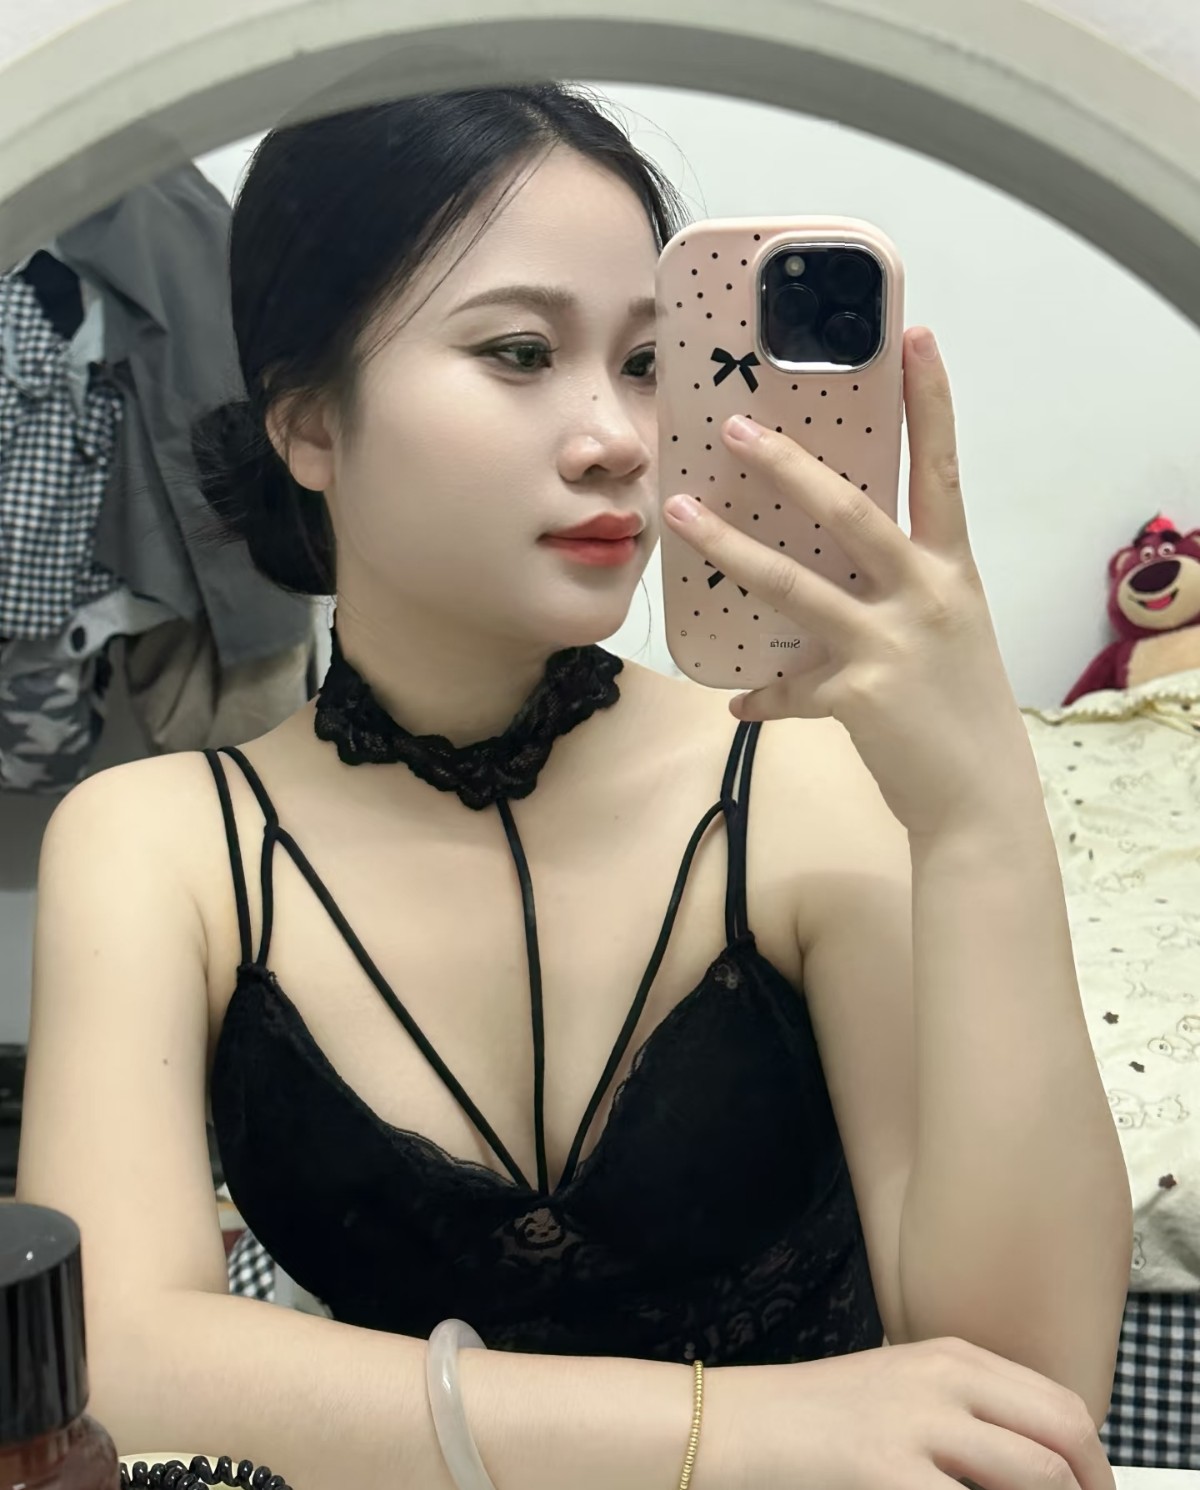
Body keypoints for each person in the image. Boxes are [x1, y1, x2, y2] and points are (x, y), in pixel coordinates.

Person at [17, 83, 1130, 1490]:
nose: (622, 436)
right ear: (308, 423)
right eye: (522, 351)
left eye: (652, 361)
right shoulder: (162, 844)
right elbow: (108, 1360)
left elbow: (1027, 1399)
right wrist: (738, 1430)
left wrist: (981, 816)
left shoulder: (794, 778)